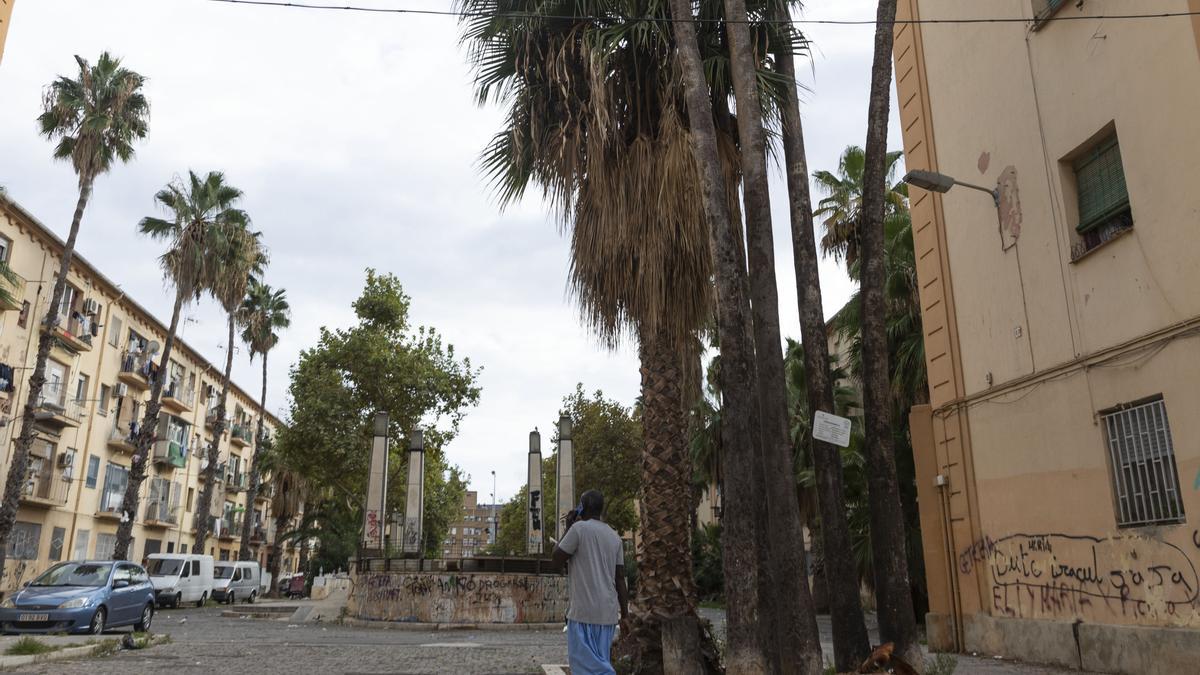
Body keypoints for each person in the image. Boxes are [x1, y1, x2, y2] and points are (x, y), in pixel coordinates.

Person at [552, 490, 628, 675]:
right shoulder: (614, 536)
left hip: (583, 613)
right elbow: (620, 578)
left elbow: (556, 559)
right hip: (608, 614)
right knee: (600, 662)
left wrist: (568, 527)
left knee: (585, 669)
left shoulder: (578, 530)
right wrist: (625, 614)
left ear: (582, 507)